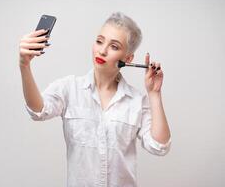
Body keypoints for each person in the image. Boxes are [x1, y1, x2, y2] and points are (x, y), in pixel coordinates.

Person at [19, 12, 171, 187]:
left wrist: (154, 94)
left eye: (114, 46)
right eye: (99, 41)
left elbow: (160, 146)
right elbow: (38, 111)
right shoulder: (69, 88)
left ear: (128, 59)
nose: (102, 50)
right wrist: (24, 65)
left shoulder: (136, 101)